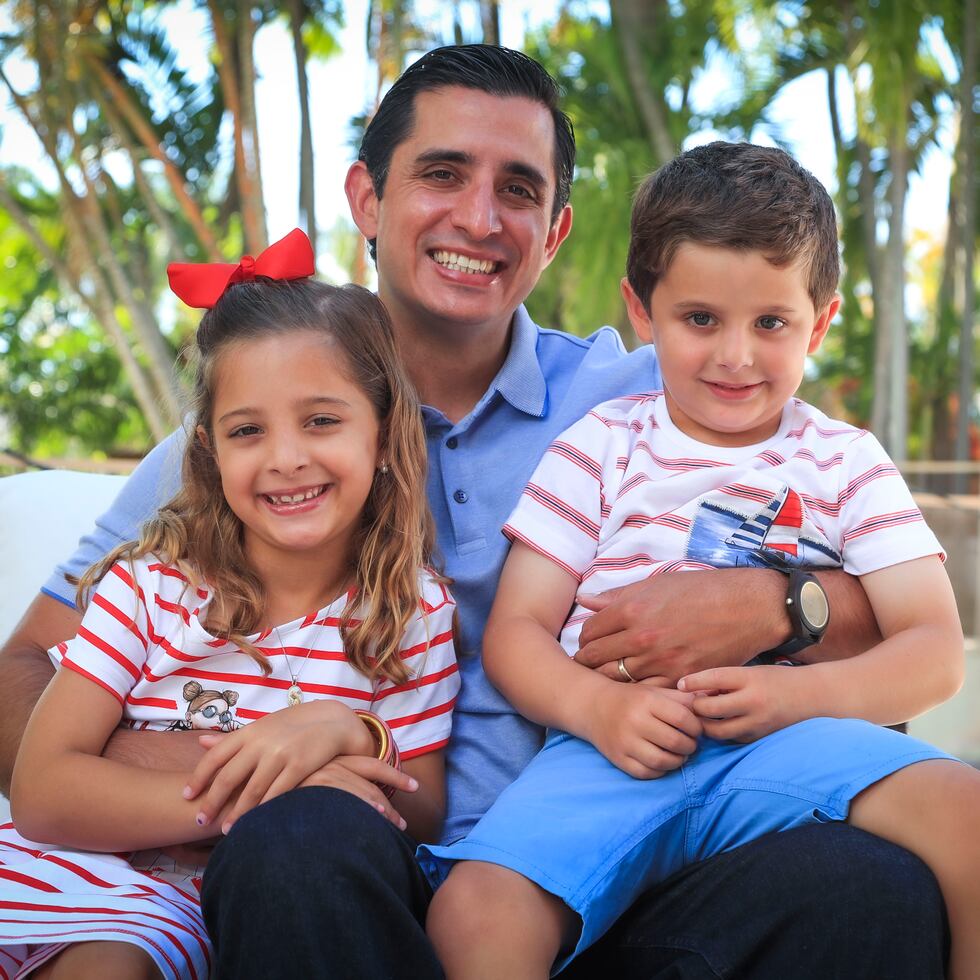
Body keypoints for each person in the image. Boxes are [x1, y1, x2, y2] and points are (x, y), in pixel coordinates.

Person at [0, 45, 948, 978]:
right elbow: (27, 665)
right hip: (350, 871)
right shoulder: (250, 449)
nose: (481, 217)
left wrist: (782, 605)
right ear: (367, 200)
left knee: (872, 885)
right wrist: (217, 763)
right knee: (298, 841)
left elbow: (898, 611)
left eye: (520, 190)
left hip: (624, 853)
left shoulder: (647, 399)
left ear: (558, 231)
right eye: (443, 174)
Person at [420, 141, 978, 979]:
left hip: (794, 743)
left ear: (819, 323)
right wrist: (596, 710)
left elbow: (933, 649)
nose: (735, 357)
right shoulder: (600, 445)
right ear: (644, 313)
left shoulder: (845, 460)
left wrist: (800, 694)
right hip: (611, 751)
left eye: (772, 323)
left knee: (968, 814)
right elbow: (518, 632)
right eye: (701, 319)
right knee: (475, 911)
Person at [0, 234, 459, 979]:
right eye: (249, 431)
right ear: (210, 453)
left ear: (383, 434)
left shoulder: (409, 612)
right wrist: (251, 799)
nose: (285, 458)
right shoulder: (154, 587)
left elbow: (424, 807)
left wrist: (347, 729)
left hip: (234, 912)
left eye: (321, 421)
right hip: (78, 877)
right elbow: (43, 790)